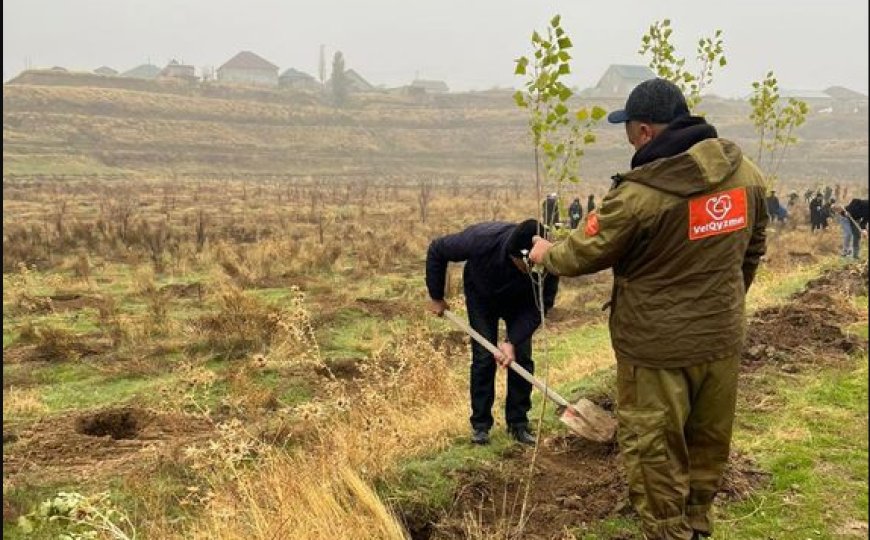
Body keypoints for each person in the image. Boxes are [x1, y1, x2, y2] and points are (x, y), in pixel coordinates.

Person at [528, 78, 768, 540]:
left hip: (655, 349)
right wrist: (725, 303)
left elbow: (581, 253)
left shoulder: (639, 196)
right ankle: (696, 522)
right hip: (720, 339)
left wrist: (544, 253)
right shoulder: (747, 176)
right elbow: (752, 251)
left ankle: (669, 531)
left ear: (643, 132)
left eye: (628, 130)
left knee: (654, 447)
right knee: (707, 439)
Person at [426, 219, 559, 445]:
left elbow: (541, 306)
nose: (533, 270)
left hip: (521, 305)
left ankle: (518, 424)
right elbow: (437, 249)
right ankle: (481, 426)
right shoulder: (481, 240)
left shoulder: (549, 260)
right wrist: (437, 295)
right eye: (527, 265)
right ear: (513, 256)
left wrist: (512, 341)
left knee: (521, 358)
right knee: (483, 358)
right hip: (482, 296)